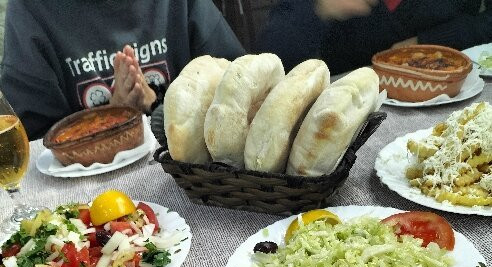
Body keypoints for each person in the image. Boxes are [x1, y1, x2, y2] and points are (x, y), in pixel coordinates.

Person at [0, 0, 245, 140]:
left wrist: (155, 104)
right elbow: (33, 139)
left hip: (191, 176)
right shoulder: (29, 9)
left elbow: (239, 86)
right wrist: (110, 117)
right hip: (82, 192)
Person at [257, 0, 492, 74]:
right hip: (347, 100)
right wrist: (321, 8)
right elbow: (269, 60)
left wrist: (428, 42)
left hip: (452, 83)